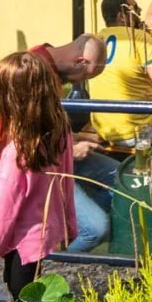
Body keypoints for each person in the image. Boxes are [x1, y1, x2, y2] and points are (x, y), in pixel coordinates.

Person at [0, 51, 78, 299]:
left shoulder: (16, 155)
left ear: (10, 97)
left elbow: (3, 216)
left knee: (22, 296)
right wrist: (70, 224)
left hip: (22, 243)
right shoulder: (60, 131)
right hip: (44, 235)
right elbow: (67, 181)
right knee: (27, 289)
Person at [26, 33, 114, 254]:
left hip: (58, 153)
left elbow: (46, 126)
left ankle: (72, 224)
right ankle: (55, 264)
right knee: (96, 229)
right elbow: (28, 141)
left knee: (120, 176)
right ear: (80, 61)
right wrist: (71, 151)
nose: (79, 83)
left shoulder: (47, 60)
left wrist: (75, 138)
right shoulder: (36, 73)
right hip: (42, 166)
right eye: (85, 76)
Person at [87, 0, 152, 147]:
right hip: (137, 131)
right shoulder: (139, 38)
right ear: (121, 16)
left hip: (104, 128)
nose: (139, 12)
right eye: (135, 9)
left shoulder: (97, 39)